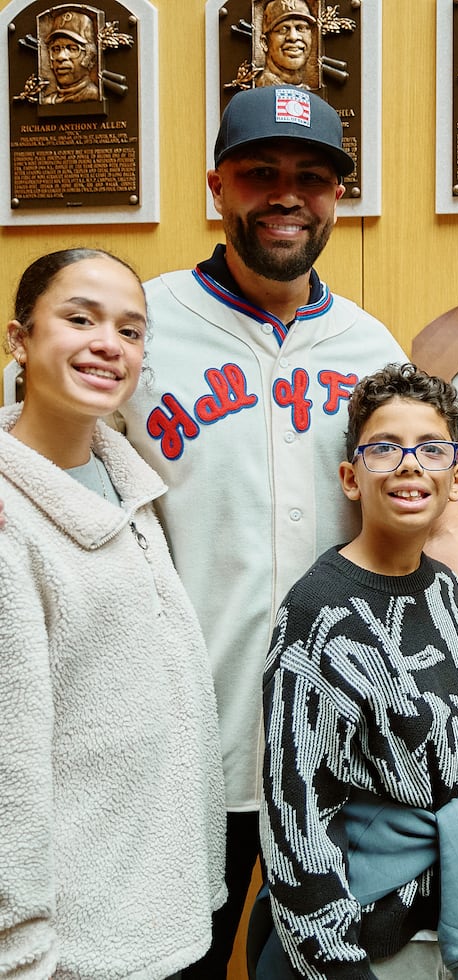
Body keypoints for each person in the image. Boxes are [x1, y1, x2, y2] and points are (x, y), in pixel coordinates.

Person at [116, 85, 458, 977]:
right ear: (216, 187)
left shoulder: (369, 347)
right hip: (187, 752)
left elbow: (445, 523)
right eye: (260, 172)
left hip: (348, 770)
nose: (286, 195)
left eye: (312, 177)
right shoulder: (141, 330)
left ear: (338, 197)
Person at [254, 363, 458, 978]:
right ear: (351, 477)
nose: (409, 463)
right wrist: (338, 964)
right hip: (362, 933)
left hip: (448, 913)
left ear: (456, 479)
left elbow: (430, 752)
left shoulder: (446, 590)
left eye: (430, 448)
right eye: (385, 449)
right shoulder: (318, 613)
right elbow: (292, 816)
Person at [0, 249, 226, 978]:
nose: (110, 345)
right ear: (19, 339)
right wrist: (21, 954)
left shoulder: (125, 481)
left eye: (131, 332)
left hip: (166, 916)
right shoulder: (10, 527)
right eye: (80, 319)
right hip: (78, 954)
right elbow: (10, 770)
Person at [40, 8, 101, 104]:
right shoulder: (47, 101)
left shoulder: (94, 95)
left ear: (89, 57)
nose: (61, 57)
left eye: (72, 48)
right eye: (56, 49)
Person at [256, 0, 317, 89]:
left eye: (301, 28)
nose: (293, 37)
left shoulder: (306, 90)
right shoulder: (261, 88)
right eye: (283, 29)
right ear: (265, 43)